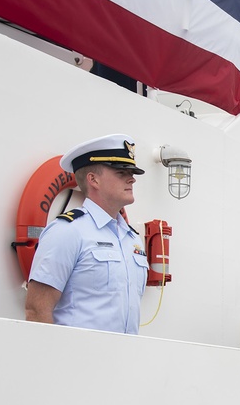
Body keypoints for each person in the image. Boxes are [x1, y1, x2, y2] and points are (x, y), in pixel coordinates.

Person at [25, 134, 148, 333]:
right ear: (93, 179)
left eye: (132, 172)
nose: (132, 179)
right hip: (77, 359)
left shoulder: (131, 239)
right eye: (121, 172)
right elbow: (37, 310)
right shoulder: (68, 231)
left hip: (125, 358)